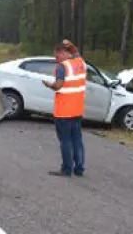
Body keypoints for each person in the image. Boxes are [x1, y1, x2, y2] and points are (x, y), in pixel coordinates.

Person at [42, 39, 86, 177]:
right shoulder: (80, 63)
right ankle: (79, 168)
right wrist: (71, 44)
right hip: (77, 110)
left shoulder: (63, 67)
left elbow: (59, 85)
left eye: (57, 56)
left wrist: (49, 85)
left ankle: (66, 169)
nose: (56, 59)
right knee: (77, 139)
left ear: (63, 53)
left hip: (63, 112)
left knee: (65, 140)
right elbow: (76, 52)